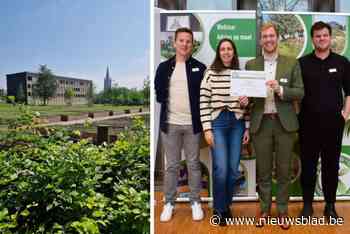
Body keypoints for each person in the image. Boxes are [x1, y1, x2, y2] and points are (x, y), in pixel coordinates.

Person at [245, 23, 304, 229]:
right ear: (260, 40)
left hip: (284, 123)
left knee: (284, 169)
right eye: (264, 36)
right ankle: (264, 210)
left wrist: (281, 90)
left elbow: (300, 92)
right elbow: (250, 96)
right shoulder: (251, 65)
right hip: (261, 123)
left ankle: (282, 211)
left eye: (271, 36)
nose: (268, 40)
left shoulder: (291, 63)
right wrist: (246, 100)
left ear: (277, 38)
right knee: (263, 170)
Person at [298, 21, 350, 220]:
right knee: (309, 167)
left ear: (330, 37)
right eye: (318, 36)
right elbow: (296, 93)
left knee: (331, 166)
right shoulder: (303, 63)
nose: (321, 39)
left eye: (325, 35)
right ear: (313, 39)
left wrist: (344, 114)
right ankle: (307, 206)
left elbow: (349, 92)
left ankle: (330, 206)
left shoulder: (342, 62)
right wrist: (299, 114)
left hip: (333, 126)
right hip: (308, 125)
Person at [155, 27, 207, 222]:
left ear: (192, 44)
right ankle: (169, 202)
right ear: (175, 43)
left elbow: (205, 96)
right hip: (170, 125)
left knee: (193, 164)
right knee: (172, 166)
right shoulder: (163, 67)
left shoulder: (200, 68)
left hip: (192, 125)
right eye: (181, 40)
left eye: (188, 41)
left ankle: (195, 202)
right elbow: (159, 94)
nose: (185, 44)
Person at [200, 38, 250, 226]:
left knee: (231, 169)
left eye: (230, 49)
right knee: (220, 169)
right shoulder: (210, 73)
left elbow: (247, 106)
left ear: (234, 52)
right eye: (223, 49)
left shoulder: (241, 74)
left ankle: (226, 205)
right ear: (219, 52)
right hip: (218, 123)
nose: (226, 52)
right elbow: (203, 102)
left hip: (237, 123)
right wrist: (207, 129)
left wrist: (246, 127)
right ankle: (219, 210)